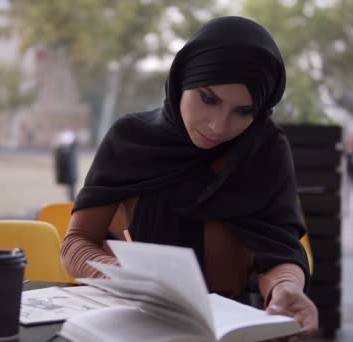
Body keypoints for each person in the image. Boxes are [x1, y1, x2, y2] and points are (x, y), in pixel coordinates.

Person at [61, 16, 318, 336]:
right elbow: (77, 244)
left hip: (233, 329)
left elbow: (278, 250)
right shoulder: (131, 140)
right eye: (208, 99)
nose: (219, 126)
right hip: (137, 324)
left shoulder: (265, 151)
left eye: (243, 111)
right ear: (182, 79)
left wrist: (285, 287)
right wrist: (122, 276)